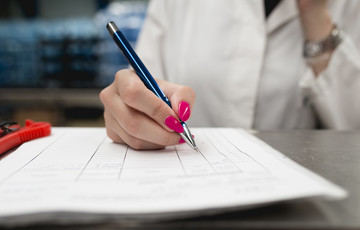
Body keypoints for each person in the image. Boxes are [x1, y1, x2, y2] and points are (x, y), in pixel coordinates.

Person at [100, 0, 360, 150]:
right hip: (184, 191)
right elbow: (141, 89)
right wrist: (129, 110)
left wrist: (314, 14)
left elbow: (353, 129)